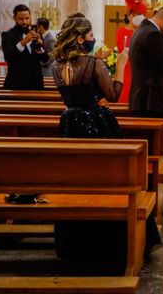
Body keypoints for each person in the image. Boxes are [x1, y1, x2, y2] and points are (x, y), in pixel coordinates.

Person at [50, 16, 136, 263]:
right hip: (96, 123)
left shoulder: (58, 66)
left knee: (74, 179)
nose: (93, 40)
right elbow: (114, 95)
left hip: (69, 122)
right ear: (79, 38)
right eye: (90, 36)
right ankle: (105, 244)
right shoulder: (92, 63)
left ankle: (73, 244)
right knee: (104, 178)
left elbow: (73, 94)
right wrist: (121, 64)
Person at [1, 4, 49, 90]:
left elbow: (45, 59)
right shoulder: (7, 35)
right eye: (21, 19)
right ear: (14, 18)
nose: (24, 22)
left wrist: (40, 45)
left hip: (36, 83)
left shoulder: (36, 33)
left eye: (27, 18)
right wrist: (23, 42)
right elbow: (8, 58)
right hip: (16, 84)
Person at [117, 0, 148, 103]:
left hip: (141, 71)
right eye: (138, 15)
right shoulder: (122, 31)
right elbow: (122, 49)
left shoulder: (145, 32)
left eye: (142, 14)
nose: (141, 17)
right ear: (130, 16)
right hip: (127, 70)